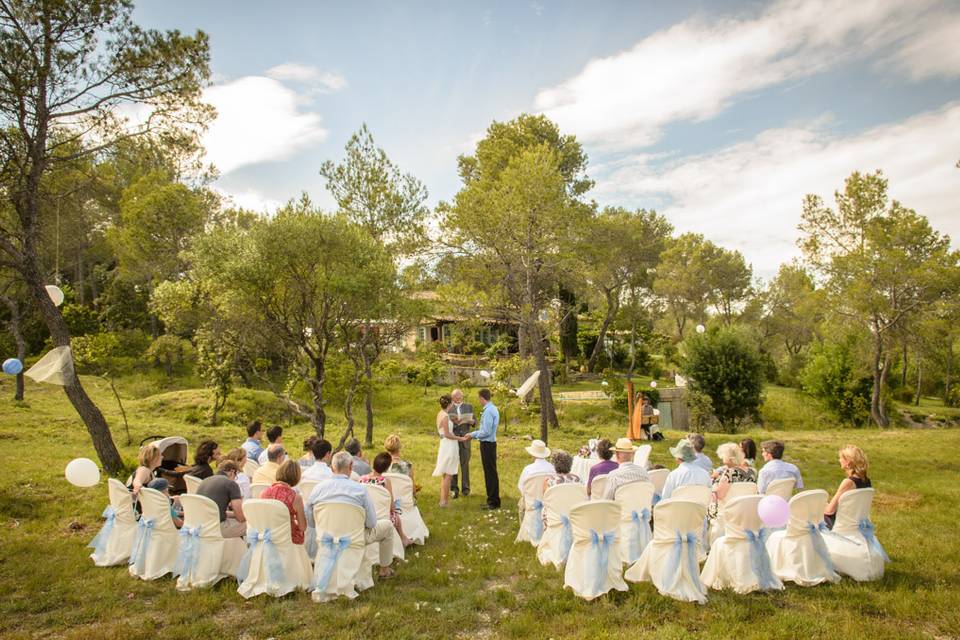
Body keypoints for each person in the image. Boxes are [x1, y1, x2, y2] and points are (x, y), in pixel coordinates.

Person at [306, 451, 396, 578]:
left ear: (332, 468)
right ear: (351, 466)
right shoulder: (360, 490)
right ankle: (384, 570)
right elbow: (371, 523)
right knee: (387, 526)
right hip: (354, 537)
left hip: (326, 535)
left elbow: (310, 520)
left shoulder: (318, 489)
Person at [359, 452, 412, 547]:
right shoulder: (385, 482)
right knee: (395, 515)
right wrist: (394, 508)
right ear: (387, 468)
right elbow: (390, 504)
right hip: (382, 515)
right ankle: (403, 538)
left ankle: (404, 538)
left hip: (365, 515)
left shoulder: (362, 479)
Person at [465, 388, 501, 510]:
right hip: (490, 444)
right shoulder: (493, 408)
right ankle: (494, 500)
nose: (479, 401)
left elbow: (486, 431)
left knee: (490, 473)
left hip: (487, 445)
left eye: (479, 398)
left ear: (482, 398)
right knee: (491, 473)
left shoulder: (488, 411)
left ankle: (493, 502)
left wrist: (472, 434)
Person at [824, 445, 872, 529]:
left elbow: (830, 511)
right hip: (857, 521)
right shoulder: (866, 480)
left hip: (842, 524)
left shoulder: (849, 482)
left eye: (841, 458)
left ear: (848, 462)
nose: (839, 460)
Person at [261, 459, 307, 545]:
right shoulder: (296, 497)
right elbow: (302, 527)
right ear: (296, 476)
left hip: (269, 536)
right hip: (287, 540)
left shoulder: (264, 493)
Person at [433, 394, 468, 506]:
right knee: (448, 475)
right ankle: (444, 501)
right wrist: (460, 438)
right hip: (449, 445)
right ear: (450, 403)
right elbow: (448, 434)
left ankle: (442, 500)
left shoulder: (440, 414)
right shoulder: (445, 416)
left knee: (446, 475)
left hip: (444, 444)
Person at [708, 442, 758, 518]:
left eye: (724, 455)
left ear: (730, 459)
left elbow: (720, 496)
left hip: (728, 511)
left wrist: (714, 487)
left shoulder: (729, 473)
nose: (722, 458)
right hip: (746, 510)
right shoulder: (753, 471)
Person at [196, 460, 246, 538]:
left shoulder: (205, 481)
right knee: (253, 525)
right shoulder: (231, 484)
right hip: (217, 527)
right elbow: (240, 518)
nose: (235, 479)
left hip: (200, 525)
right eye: (236, 476)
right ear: (232, 472)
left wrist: (233, 514)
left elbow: (214, 509)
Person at [448, 388, 475, 498]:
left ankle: (466, 489)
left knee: (465, 465)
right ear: (452, 398)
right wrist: (454, 422)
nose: (458, 400)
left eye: (460, 398)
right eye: (456, 398)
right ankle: (454, 489)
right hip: (453, 439)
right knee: (453, 464)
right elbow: (446, 422)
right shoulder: (449, 408)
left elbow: (474, 421)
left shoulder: (468, 406)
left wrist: (471, 421)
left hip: (465, 439)